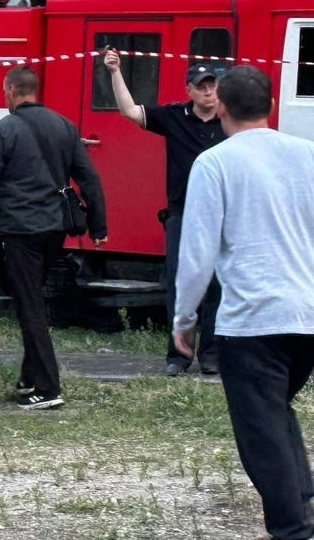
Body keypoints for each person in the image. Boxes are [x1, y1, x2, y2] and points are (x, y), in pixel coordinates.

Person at [174, 66, 314, 540]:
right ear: (271, 105)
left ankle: (291, 528)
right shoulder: (308, 154)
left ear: (222, 109)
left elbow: (198, 252)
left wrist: (185, 317)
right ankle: (303, 495)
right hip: (307, 314)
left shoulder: (214, 163)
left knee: (260, 432)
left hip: (252, 320)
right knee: (275, 411)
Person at [0, 66, 107, 410]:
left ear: (10, 90)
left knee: (30, 307)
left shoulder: (5, 129)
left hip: (21, 230)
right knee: (32, 299)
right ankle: (28, 379)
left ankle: (48, 389)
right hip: (55, 229)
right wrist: (99, 228)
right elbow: (90, 179)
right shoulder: (65, 125)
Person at [104, 49, 225, 376]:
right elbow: (129, 111)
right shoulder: (173, 117)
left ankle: (211, 355)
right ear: (189, 90)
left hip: (221, 217)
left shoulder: (230, 121)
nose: (208, 91)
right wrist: (115, 72)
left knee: (217, 287)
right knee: (179, 285)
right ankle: (178, 357)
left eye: (212, 85)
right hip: (182, 214)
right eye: (201, 86)